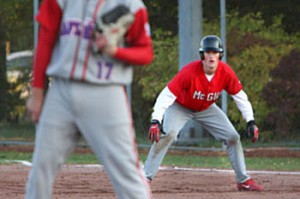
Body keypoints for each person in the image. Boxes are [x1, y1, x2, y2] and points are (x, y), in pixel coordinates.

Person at [25, 0, 153, 199]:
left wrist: (115, 50)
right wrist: (37, 91)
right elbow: (45, 38)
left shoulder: (131, 5)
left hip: (106, 93)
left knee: (126, 172)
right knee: (41, 167)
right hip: (61, 91)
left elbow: (145, 52)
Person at [144, 35, 264, 191]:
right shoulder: (189, 72)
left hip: (206, 108)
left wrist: (251, 121)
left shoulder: (226, 72)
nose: (211, 56)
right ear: (202, 55)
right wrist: (156, 120)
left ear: (220, 55)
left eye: (215, 52)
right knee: (169, 134)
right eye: (208, 52)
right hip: (181, 106)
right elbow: (165, 96)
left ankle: (243, 181)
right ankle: (145, 178)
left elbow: (240, 97)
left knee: (233, 137)